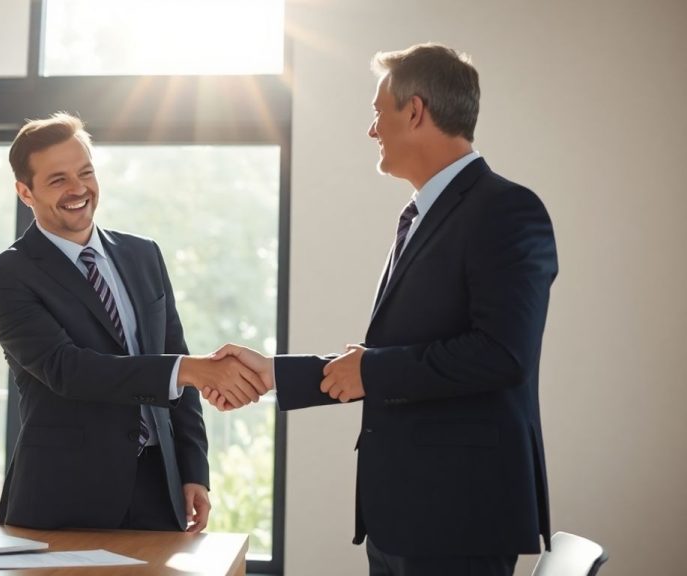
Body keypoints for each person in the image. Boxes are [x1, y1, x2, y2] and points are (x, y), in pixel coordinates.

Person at [206, 44, 558, 575]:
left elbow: (501, 354)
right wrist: (276, 373)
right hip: (403, 516)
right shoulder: (420, 215)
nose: (372, 129)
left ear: (414, 111)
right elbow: (392, 361)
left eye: (377, 112)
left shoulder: (507, 210)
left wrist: (370, 369)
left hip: (458, 519)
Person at [0, 112, 268, 533]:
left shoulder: (143, 255)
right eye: (57, 180)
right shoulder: (4, 277)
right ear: (25, 192)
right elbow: (67, 369)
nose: (78, 189)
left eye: (85, 173)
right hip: (63, 495)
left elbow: (175, 357)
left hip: (158, 487)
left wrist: (193, 470)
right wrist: (190, 369)